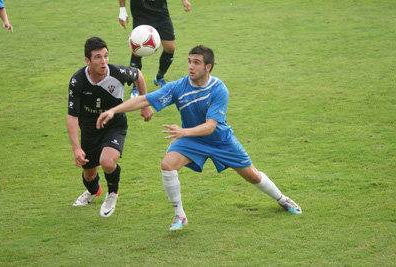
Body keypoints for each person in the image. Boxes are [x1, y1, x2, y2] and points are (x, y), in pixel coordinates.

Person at [97, 45, 302, 230]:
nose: (191, 66)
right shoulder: (178, 87)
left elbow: (211, 126)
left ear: (208, 67)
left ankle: (282, 199)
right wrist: (114, 111)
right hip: (192, 139)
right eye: (189, 61)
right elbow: (144, 100)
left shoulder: (218, 89)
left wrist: (183, 132)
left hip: (220, 140)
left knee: (252, 176)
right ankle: (180, 215)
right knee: (167, 165)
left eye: (196, 62)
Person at [67, 37, 153, 218]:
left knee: (107, 161)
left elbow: (138, 75)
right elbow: (72, 117)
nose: (103, 61)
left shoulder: (117, 73)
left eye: (105, 56)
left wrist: (145, 104)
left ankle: (112, 193)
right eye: (98, 57)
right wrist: (76, 148)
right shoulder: (78, 81)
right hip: (90, 128)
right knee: (89, 174)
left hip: (114, 124)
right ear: (87, 61)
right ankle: (93, 191)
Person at [118, 0, 191, 97]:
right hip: (141, 14)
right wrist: (122, 10)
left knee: (170, 48)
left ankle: (159, 78)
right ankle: (136, 87)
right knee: (138, 50)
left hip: (161, 13)